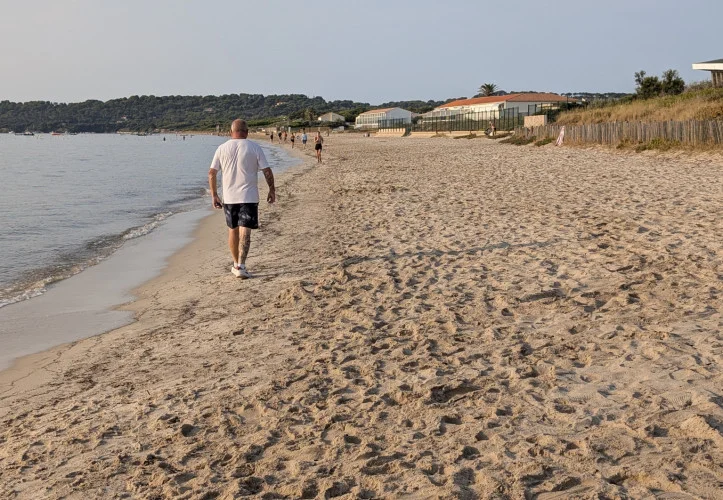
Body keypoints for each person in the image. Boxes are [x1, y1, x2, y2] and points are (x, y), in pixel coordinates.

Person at [208, 119, 276, 279]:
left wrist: (214, 195)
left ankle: (235, 264)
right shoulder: (254, 147)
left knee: (233, 229)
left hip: (229, 197)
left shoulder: (222, 148)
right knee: (245, 230)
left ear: (230, 132)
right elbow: (267, 170)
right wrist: (272, 190)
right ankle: (242, 265)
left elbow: (212, 173)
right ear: (247, 132)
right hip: (249, 196)